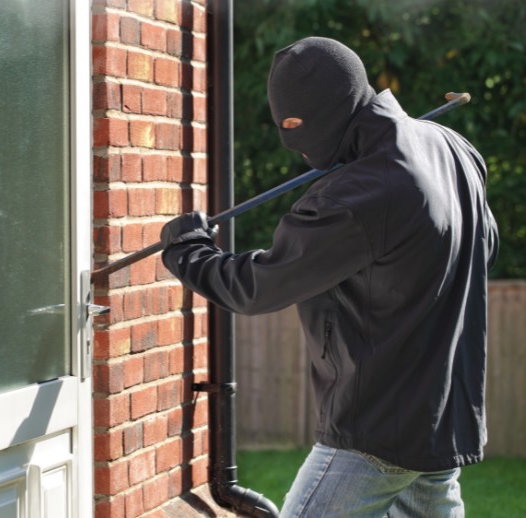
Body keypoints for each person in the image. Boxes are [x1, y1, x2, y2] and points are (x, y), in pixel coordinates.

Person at [159, 37, 499, 517]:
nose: (297, 147)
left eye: (296, 127)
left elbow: (257, 286)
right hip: (440, 417)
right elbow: (484, 247)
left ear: (320, 114)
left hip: (375, 433)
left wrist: (188, 250)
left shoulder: (360, 192)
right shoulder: (453, 149)